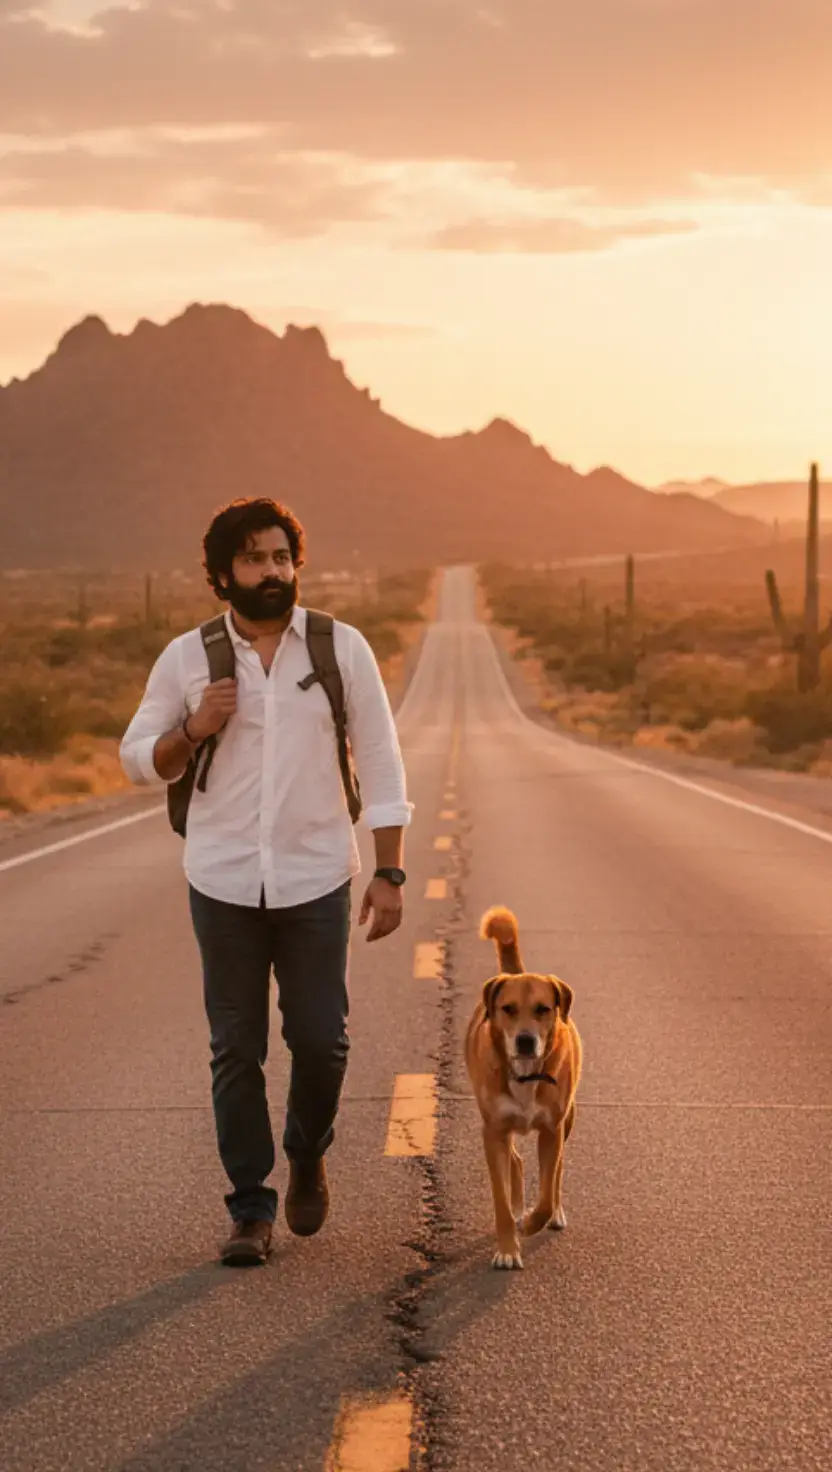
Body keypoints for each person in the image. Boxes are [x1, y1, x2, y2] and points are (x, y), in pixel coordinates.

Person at [120, 498, 412, 1265]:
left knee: (323, 1042)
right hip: (221, 882)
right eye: (254, 558)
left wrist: (388, 868)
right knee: (235, 1048)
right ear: (223, 574)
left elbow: (380, 758)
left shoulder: (339, 648)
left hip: (318, 877)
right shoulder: (188, 659)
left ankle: (307, 1153)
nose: (272, 571)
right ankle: (250, 1207)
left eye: (282, 556)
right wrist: (193, 729)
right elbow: (134, 756)